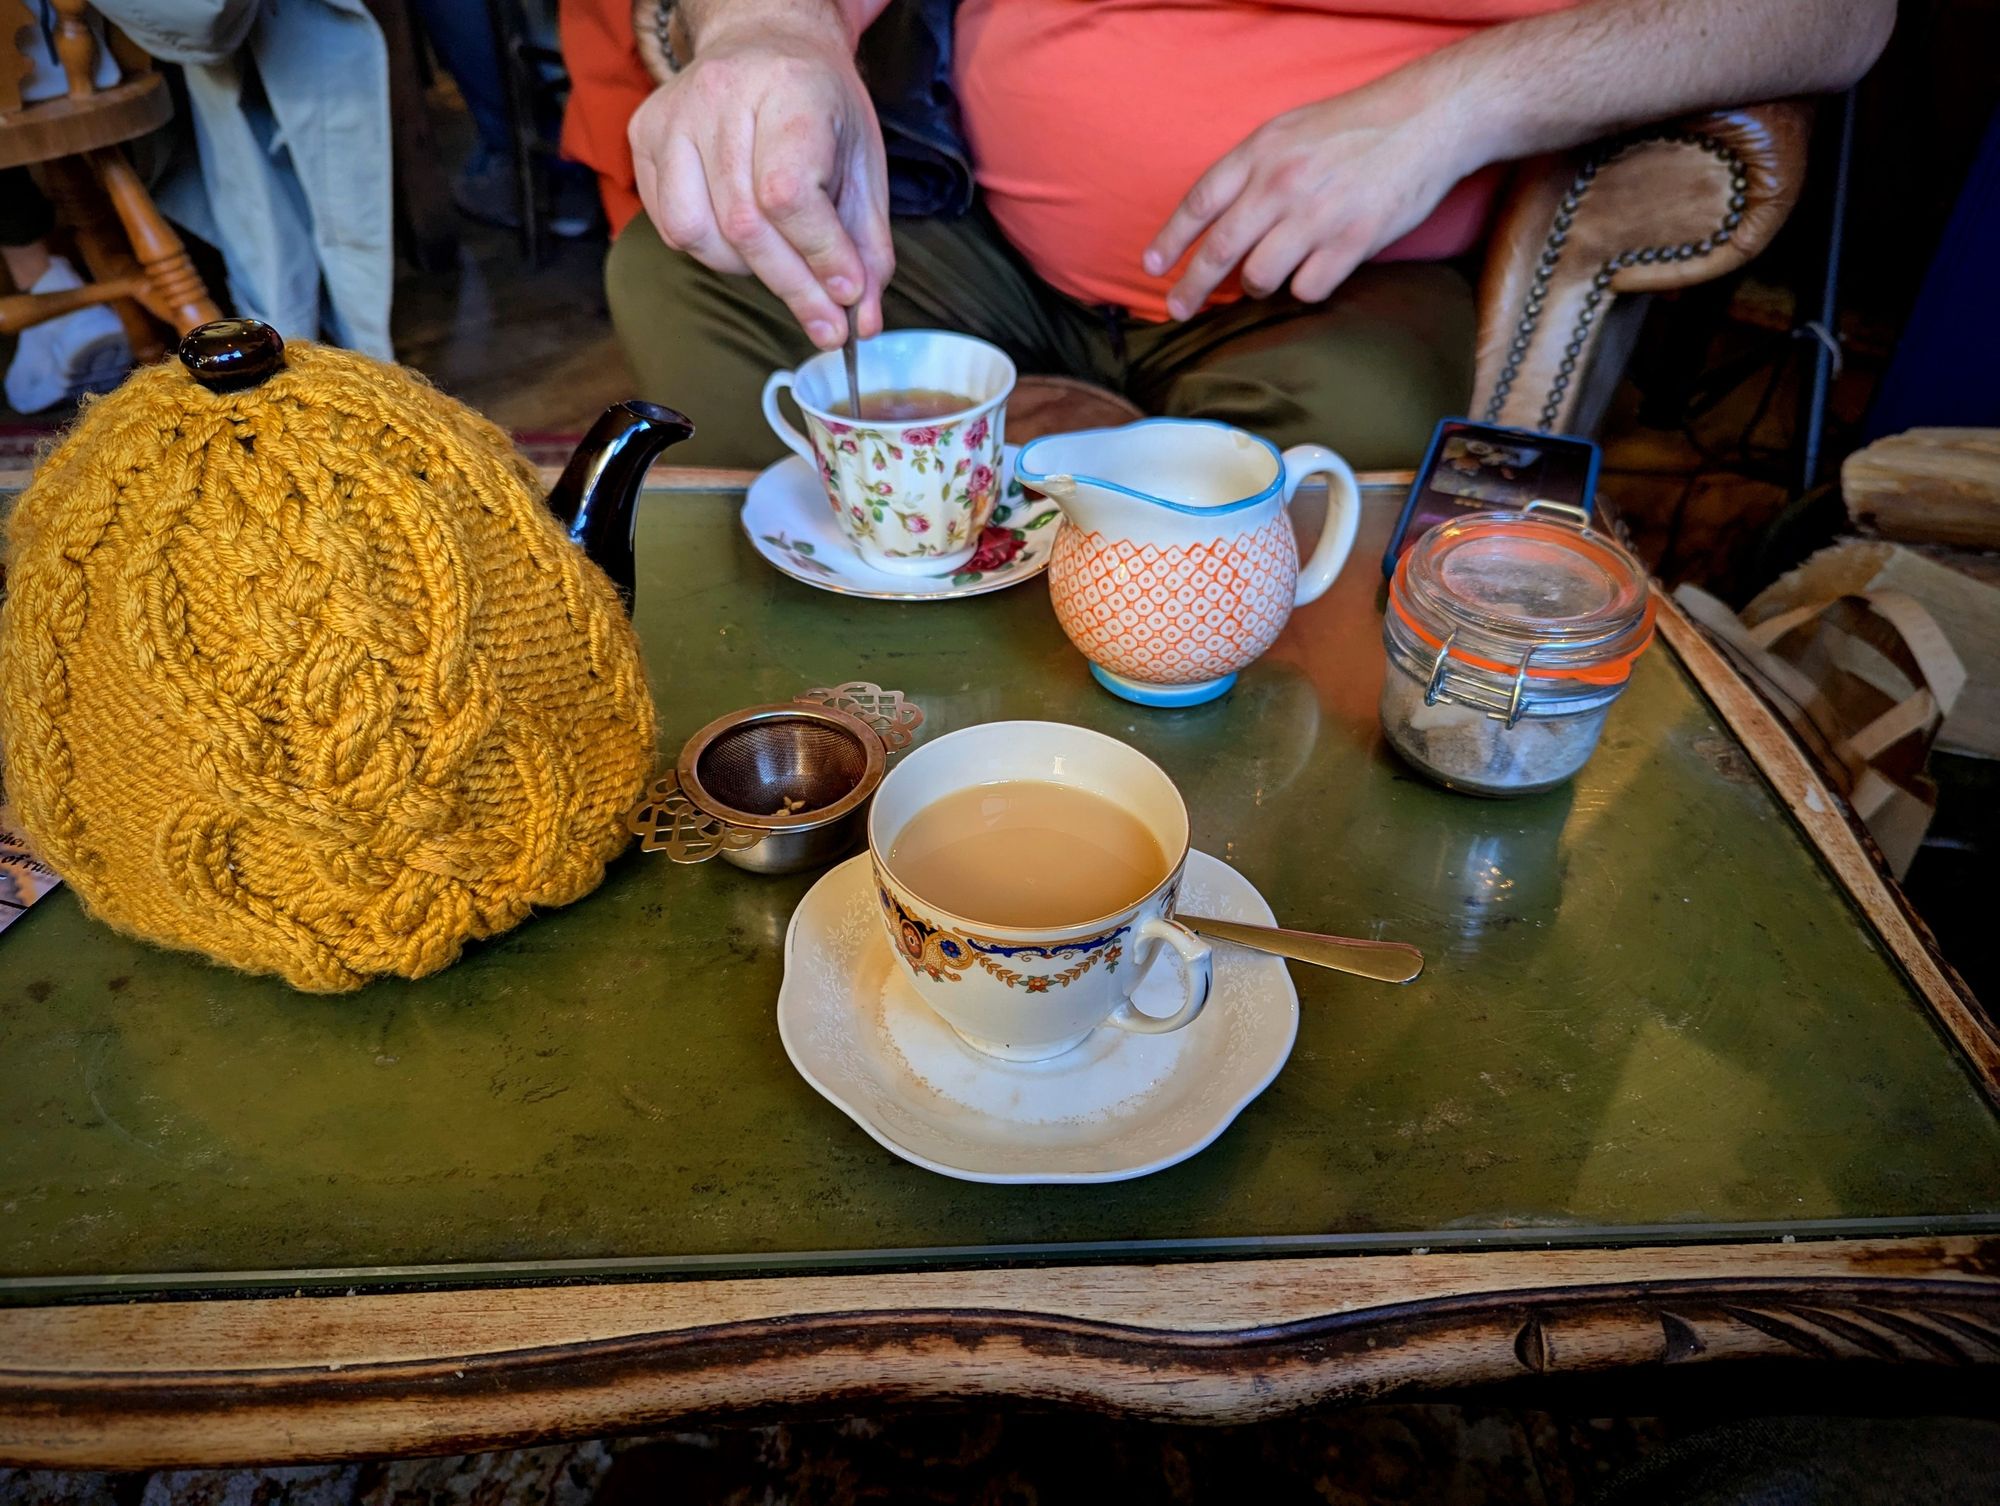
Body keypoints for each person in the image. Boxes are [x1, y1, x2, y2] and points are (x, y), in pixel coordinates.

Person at [593, 0, 1895, 470]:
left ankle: (1181, 824)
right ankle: (866, 708)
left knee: (1373, 456)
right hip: (966, 216)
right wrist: (770, 28)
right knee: (683, 274)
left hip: (1348, 287)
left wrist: (1451, 106)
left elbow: (1838, 20)